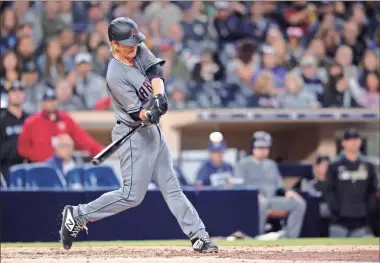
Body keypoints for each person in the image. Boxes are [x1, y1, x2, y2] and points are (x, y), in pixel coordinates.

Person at [59, 17, 218, 253]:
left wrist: (160, 96)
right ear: (114, 44)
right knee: (132, 196)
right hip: (133, 135)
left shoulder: (138, 48)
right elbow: (136, 113)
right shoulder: (115, 74)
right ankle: (78, 215)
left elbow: (155, 69)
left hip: (152, 133)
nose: (133, 46)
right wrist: (150, 113)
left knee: (172, 187)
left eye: (134, 40)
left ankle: (199, 235)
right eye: (127, 43)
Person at [235, 131, 306, 240]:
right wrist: (254, 195)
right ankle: (256, 237)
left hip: (272, 199)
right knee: (262, 203)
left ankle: (289, 237)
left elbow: (279, 186)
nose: (263, 151)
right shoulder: (243, 164)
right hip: (253, 200)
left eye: (265, 148)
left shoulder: (271, 164)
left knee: (299, 203)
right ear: (253, 148)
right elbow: (239, 186)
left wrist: (287, 192)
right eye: (260, 148)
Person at [18, 89, 103, 162]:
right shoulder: (32, 122)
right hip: (41, 166)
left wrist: (100, 152)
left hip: (63, 166)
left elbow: (83, 139)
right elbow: (23, 148)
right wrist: (37, 158)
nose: (52, 103)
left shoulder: (66, 119)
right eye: (48, 101)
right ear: (42, 103)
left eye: (54, 100)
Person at [325, 128, 378, 238]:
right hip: (339, 221)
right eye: (349, 139)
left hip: (362, 221)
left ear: (360, 142)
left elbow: (373, 190)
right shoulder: (334, 166)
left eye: (355, 139)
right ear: (344, 143)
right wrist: (336, 209)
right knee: (336, 253)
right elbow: (329, 190)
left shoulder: (369, 166)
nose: (353, 142)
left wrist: (368, 209)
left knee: (362, 253)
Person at [0, 80, 28, 183]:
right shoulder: (2, 119)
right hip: (5, 169)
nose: (17, 94)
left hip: (27, 169)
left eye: (20, 91)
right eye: (13, 91)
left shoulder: (29, 119)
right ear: (8, 95)